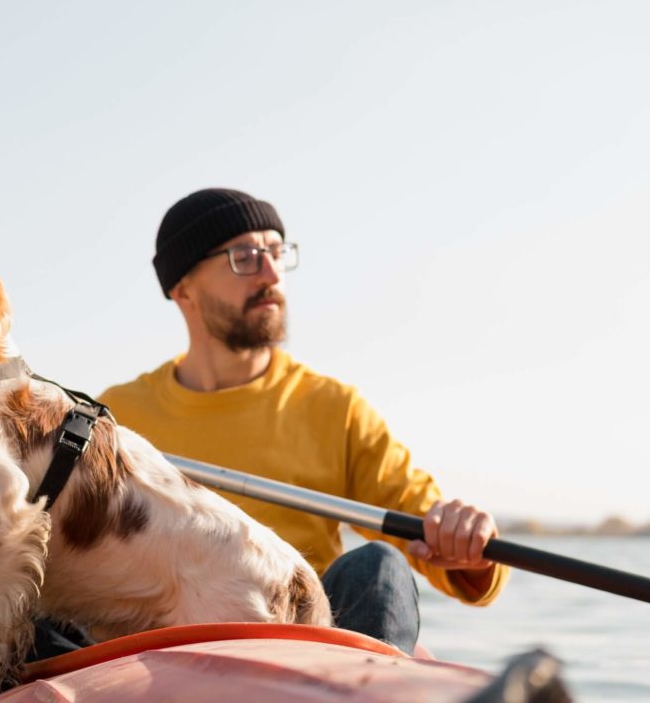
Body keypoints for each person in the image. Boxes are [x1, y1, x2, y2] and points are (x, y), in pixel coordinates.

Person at [98, 188, 510, 654]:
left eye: (276, 253)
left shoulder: (334, 407)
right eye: (245, 257)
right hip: (162, 651)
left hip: (305, 650)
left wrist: (463, 538)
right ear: (183, 287)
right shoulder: (115, 418)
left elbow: (429, 532)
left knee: (379, 565)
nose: (272, 273)